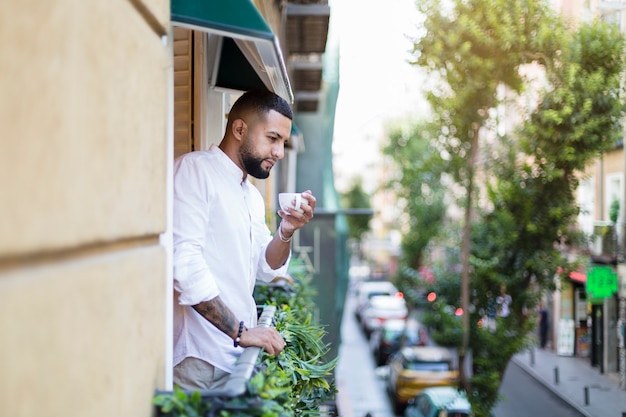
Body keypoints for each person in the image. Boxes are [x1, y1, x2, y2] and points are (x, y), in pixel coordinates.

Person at [172, 90, 316, 390]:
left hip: (236, 358)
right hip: (201, 359)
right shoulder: (195, 171)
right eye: (273, 138)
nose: (279, 152)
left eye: (283, 143)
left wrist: (287, 229)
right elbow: (184, 265)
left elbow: (267, 268)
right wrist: (239, 332)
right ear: (239, 129)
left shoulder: (249, 193)